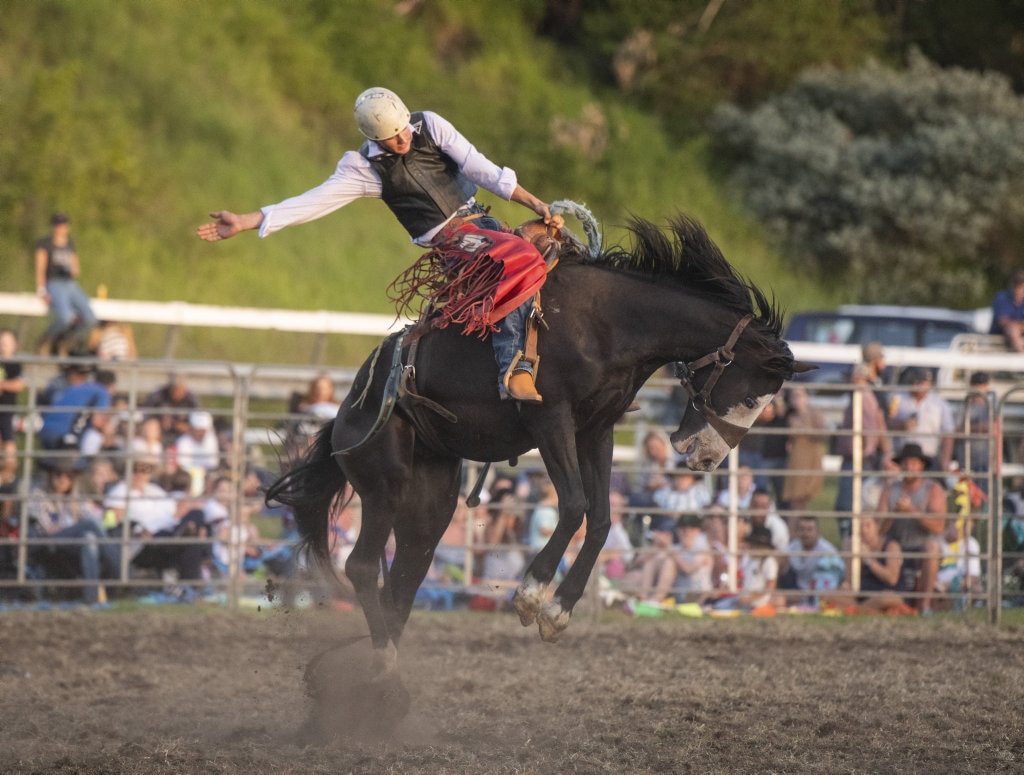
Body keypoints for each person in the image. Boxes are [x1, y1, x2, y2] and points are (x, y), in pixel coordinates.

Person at [197, 87, 564, 402]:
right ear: (373, 138)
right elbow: (313, 201)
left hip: (485, 224)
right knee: (518, 258)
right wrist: (247, 221)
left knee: (561, 246)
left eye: (403, 129)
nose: (403, 139)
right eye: (391, 137)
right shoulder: (363, 168)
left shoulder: (431, 125)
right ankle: (513, 369)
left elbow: (480, 168)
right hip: (452, 242)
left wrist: (536, 204)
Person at [24, 457, 120, 605]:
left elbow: (88, 520)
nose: (63, 479)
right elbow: (47, 528)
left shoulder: (74, 500)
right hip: (47, 543)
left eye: (68, 476)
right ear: (50, 476)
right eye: (59, 475)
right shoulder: (39, 495)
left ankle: (91, 598)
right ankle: (118, 568)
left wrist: (75, 529)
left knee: (89, 538)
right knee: (89, 526)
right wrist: (74, 528)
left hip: (71, 544)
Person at [876, 442, 947, 615]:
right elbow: (878, 528)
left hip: (921, 547)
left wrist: (912, 511)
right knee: (890, 548)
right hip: (896, 547)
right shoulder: (889, 490)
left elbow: (938, 526)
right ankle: (894, 602)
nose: (909, 467)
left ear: (922, 466)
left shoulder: (933, 489)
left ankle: (925, 605)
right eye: (906, 463)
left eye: (914, 463)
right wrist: (894, 513)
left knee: (932, 548)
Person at [834, 362, 891, 542]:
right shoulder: (864, 396)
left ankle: (852, 539)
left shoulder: (863, 397)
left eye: (853, 377)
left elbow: (868, 428)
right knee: (852, 503)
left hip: (859, 458)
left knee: (848, 504)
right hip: (859, 457)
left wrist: (864, 451)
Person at [34, 212, 98, 355]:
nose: (61, 228)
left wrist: (71, 269)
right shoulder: (45, 244)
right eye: (58, 225)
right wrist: (41, 290)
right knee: (66, 317)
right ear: (53, 226)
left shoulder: (69, 243)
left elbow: (76, 267)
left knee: (90, 318)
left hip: (69, 283)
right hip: (54, 282)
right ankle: (48, 337)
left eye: (63, 225)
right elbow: (40, 268)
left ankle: (67, 340)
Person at [827, 514, 908, 614]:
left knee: (886, 598)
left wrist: (869, 560)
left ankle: (857, 610)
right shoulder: (853, 546)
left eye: (868, 525)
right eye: (860, 527)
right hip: (862, 595)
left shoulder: (891, 546)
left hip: (886, 593)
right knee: (827, 595)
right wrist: (851, 555)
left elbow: (892, 579)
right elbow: (849, 582)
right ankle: (867, 610)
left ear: (876, 527)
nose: (864, 530)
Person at [886, 367, 954, 474]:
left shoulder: (939, 403)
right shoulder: (897, 398)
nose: (920, 385)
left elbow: (948, 433)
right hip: (903, 458)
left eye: (924, 382)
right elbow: (886, 424)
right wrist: (901, 425)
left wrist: (945, 461)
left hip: (928, 458)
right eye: (917, 381)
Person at [636, 513, 712, 604]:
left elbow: (689, 569)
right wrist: (656, 547)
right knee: (653, 560)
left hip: (696, 595)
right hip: (677, 594)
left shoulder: (702, 549)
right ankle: (643, 597)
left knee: (669, 561)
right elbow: (638, 563)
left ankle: (656, 599)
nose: (687, 533)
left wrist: (670, 550)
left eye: (691, 529)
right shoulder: (676, 548)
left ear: (697, 531)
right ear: (678, 530)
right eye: (683, 529)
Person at [37, 366, 116, 451]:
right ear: (110, 385)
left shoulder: (82, 387)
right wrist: (111, 438)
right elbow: (97, 422)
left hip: (46, 430)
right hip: (63, 435)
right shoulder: (102, 391)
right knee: (89, 459)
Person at [780, 385, 828, 519]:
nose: (795, 399)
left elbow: (823, 435)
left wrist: (805, 428)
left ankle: (801, 529)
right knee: (795, 501)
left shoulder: (815, 414)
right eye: (793, 396)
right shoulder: (791, 417)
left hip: (811, 459)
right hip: (796, 460)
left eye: (798, 395)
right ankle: (795, 531)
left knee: (802, 499)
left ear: (806, 397)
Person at [779, 516, 844, 605]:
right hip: (796, 587)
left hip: (817, 591)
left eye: (809, 530)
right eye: (802, 529)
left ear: (817, 532)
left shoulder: (827, 551)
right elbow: (780, 559)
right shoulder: (794, 546)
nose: (805, 533)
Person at [955, 371, 995, 495]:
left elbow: (992, 428)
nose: (979, 388)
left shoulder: (991, 406)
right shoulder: (964, 405)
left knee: (984, 499)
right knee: (965, 500)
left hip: (985, 464)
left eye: (982, 385)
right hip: (965, 464)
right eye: (976, 384)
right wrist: (979, 427)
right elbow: (957, 433)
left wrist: (968, 428)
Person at [480, 487, 526, 582]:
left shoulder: (512, 532)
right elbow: (493, 543)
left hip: (512, 583)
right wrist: (503, 514)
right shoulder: (490, 522)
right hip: (494, 584)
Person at [142, 373, 199, 447]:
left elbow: (196, 426)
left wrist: (175, 424)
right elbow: (147, 418)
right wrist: (159, 423)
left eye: (180, 388)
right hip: (159, 435)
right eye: (175, 388)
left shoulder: (190, 399)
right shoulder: (158, 396)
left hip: (184, 438)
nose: (178, 392)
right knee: (151, 428)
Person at [0, 329, 25, 491]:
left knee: (10, 454)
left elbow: (19, 384)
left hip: (6, 414)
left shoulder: (15, 364)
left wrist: (2, 385)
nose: (3, 346)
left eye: (6, 343)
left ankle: (5, 481)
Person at [175, 411, 221, 495]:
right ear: (192, 428)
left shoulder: (211, 441)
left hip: (207, 475)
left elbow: (213, 463)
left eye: (203, 430)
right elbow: (182, 464)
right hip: (188, 477)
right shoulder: (183, 441)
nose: (200, 433)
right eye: (198, 430)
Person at [989, 270, 1024, 352]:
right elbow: (1002, 322)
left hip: (1019, 332)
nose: (1020, 290)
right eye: (1018, 287)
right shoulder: (1002, 298)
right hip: (1001, 335)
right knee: (1013, 329)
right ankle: (1022, 356)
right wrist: (1019, 326)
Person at [746, 487, 789, 553]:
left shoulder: (779, 527)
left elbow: (781, 556)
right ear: (750, 505)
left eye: (763, 506)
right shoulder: (742, 522)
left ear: (769, 507)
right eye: (756, 505)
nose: (759, 511)